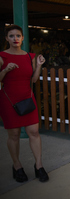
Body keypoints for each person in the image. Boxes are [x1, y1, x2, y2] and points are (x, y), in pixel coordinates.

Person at [0, 25, 49, 183]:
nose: (15, 39)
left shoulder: (30, 57)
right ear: (7, 38)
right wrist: (6, 70)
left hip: (27, 98)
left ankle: (39, 166)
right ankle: (17, 166)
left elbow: (34, 80)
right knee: (13, 135)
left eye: (18, 36)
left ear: (22, 38)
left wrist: (39, 65)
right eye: (12, 36)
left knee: (34, 132)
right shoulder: (2, 56)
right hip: (9, 100)